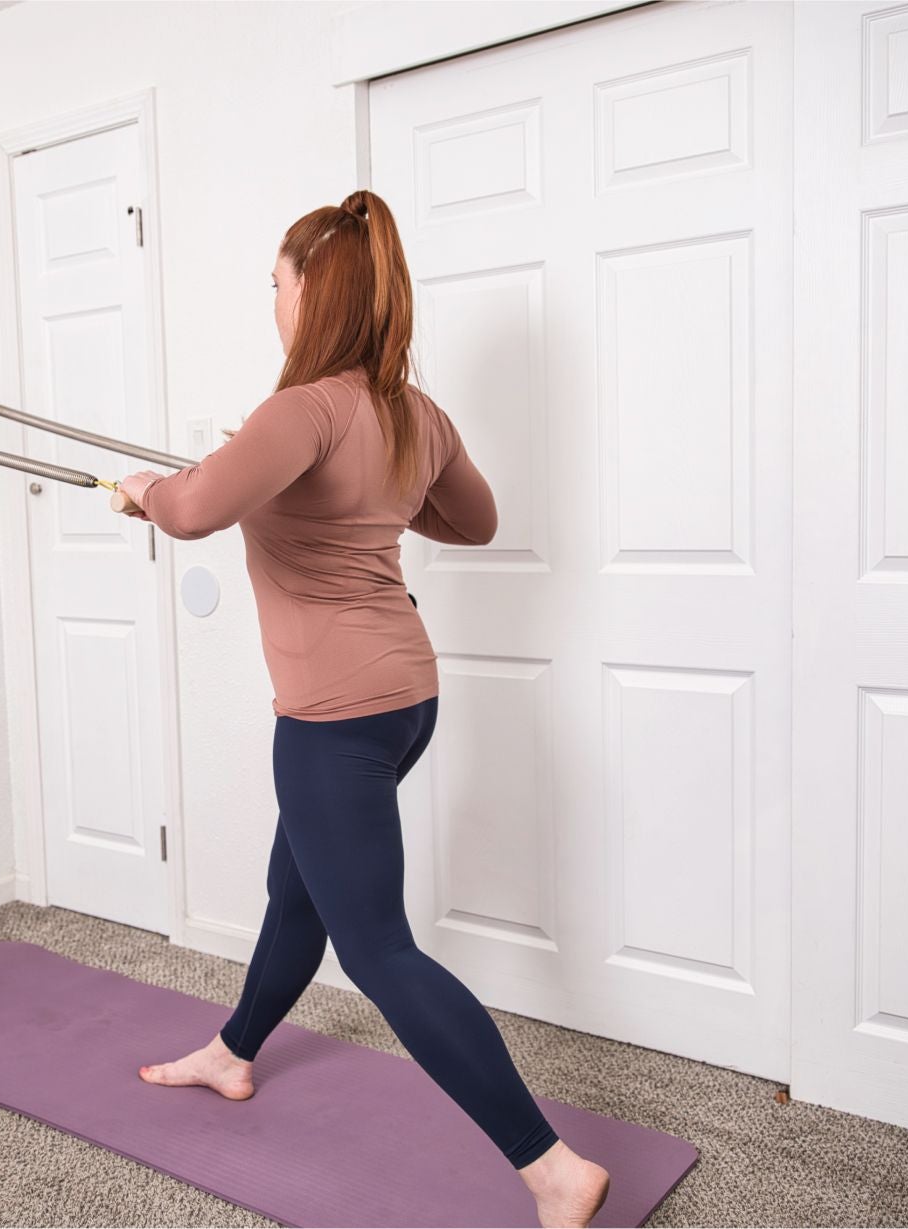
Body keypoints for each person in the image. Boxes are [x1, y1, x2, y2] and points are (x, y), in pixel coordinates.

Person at [113, 190, 610, 1229]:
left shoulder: (298, 411)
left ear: (313, 295)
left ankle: (550, 1166)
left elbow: (195, 510)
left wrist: (144, 490)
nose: (274, 304)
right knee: (297, 888)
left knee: (376, 947)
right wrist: (392, 487)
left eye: (278, 285)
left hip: (333, 716)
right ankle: (233, 1049)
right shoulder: (410, 414)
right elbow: (472, 519)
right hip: (406, 699)